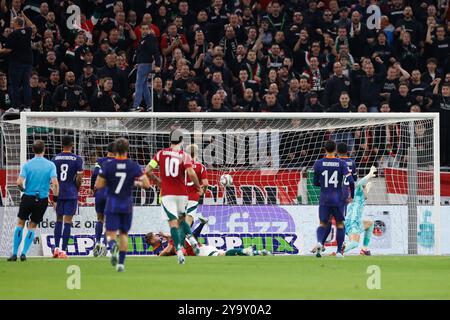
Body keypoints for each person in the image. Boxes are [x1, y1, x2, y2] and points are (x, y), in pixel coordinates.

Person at [145, 129, 203, 264]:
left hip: (167, 194)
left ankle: (179, 252)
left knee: (173, 225)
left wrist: (158, 181)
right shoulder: (185, 156)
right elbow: (192, 173)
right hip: (182, 194)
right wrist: (198, 187)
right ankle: (192, 238)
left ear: (170, 140)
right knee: (182, 221)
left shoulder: (160, 154)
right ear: (181, 140)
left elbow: (147, 170)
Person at [94, 138, 150, 272]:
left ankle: (113, 246)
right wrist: (134, 183)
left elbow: (98, 185)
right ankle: (121, 264)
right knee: (124, 234)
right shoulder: (133, 165)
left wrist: (110, 182)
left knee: (110, 233)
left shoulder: (108, 165)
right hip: (127, 204)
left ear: (115, 150)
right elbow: (147, 184)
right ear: (127, 149)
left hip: (112, 203)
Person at [7, 140, 59, 261]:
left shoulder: (27, 164)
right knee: (32, 225)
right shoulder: (50, 165)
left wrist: (23, 189)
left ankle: (15, 253)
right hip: (42, 199)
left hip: (28, 197)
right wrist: (55, 199)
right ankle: (24, 253)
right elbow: (55, 184)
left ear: (32, 150)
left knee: (20, 223)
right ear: (44, 149)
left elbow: (19, 182)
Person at [312, 140, 354, 258]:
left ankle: (320, 242)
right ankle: (339, 252)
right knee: (340, 224)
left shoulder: (318, 163)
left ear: (324, 149)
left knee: (323, 223)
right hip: (338, 198)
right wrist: (352, 196)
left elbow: (315, 183)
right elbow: (351, 181)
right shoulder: (341, 163)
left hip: (324, 198)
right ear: (335, 149)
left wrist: (325, 186)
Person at [51, 135, 83, 259]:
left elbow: (53, 179)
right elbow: (79, 177)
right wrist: (77, 187)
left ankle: (56, 248)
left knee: (58, 219)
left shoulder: (55, 158)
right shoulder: (77, 159)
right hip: (71, 192)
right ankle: (63, 251)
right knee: (68, 221)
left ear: (61, 145)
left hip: (59, 192)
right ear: (72, 145)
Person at [0, 14, 34, 111]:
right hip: (28, 63)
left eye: (12, 22)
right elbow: (32, 25)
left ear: (16, 23)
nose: (11, 23)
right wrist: (24, 16)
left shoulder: (13, 34)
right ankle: (27, 107)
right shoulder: (27, 31)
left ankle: (15, 107)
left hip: (16, 63)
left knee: (14, 84)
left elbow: (8, 50)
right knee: (26, 84)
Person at [344, 166, 377, 256]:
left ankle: (364, 249)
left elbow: (366, 189)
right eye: (366, 188)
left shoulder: (363, 197)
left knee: (370, 223)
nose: (367, 191)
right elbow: (359, 184)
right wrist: (369, 175)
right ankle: (339, 251)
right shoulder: (358, 193)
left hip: (356, 223)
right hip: (351, 223)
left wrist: (369, 186)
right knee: (354, 243)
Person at [91, 141, 116, 257]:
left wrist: (92, 188)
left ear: (107, 151)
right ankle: (105, 246)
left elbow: (95, 174)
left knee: (100, 219)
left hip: (100, 193)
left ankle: (97, 242)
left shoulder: (100, 161)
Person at [130, 23, 161, 112]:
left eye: (146, 28)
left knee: (139, 84)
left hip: (145, 64)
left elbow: (155, 51)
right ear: (140, 30)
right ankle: (149, 105)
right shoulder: (143, 39)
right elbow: (142, 53)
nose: (145, 30)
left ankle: (136, 106)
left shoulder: (150, 38)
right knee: (143, 86)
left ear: (149, 29)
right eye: (143, 29)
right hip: (142, 64)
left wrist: (158, 65)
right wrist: (138, 63)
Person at [185, 144, 208, 227]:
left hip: (180, 197)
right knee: (187, 225)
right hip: (193, 197)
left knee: (179, 223)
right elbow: (205, 183)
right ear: (197, 153)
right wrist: (203, 191)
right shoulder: (201, 167)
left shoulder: (181, 166)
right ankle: (183, 239)